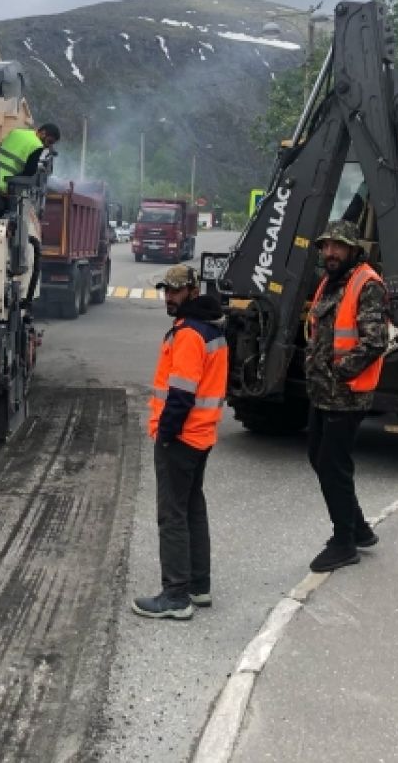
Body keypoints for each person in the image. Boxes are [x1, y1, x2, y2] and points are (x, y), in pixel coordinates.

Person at [133, 264, 228, 620]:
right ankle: (198, 586)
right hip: (202, 434)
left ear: (191, 290)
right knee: (192, 508)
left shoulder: (189, 334)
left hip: (183, 436)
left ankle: (176, 596)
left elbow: (181, 395)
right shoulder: (211, 328)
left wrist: (167, 434)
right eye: (165, 291)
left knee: (172, 514)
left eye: (175, 291)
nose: (168, 297)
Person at [304, 219, 389, 572]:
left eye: (337, 246)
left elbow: (375, 341)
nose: (330, 252)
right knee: (320, 458)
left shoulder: (366, 284)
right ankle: (360, 530)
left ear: (353, 249)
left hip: (346, 394)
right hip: (323, 393)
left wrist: (340, 373)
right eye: (326, 246)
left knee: (332, 464)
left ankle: (344, 542)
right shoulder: (330, 282)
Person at [0, 123, 60, 192]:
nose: (48, 146)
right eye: (49, 142)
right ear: (43, 133)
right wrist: (38, 170)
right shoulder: (37, 145)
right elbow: (29, 172)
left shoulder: (16, 132)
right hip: (4, 185)